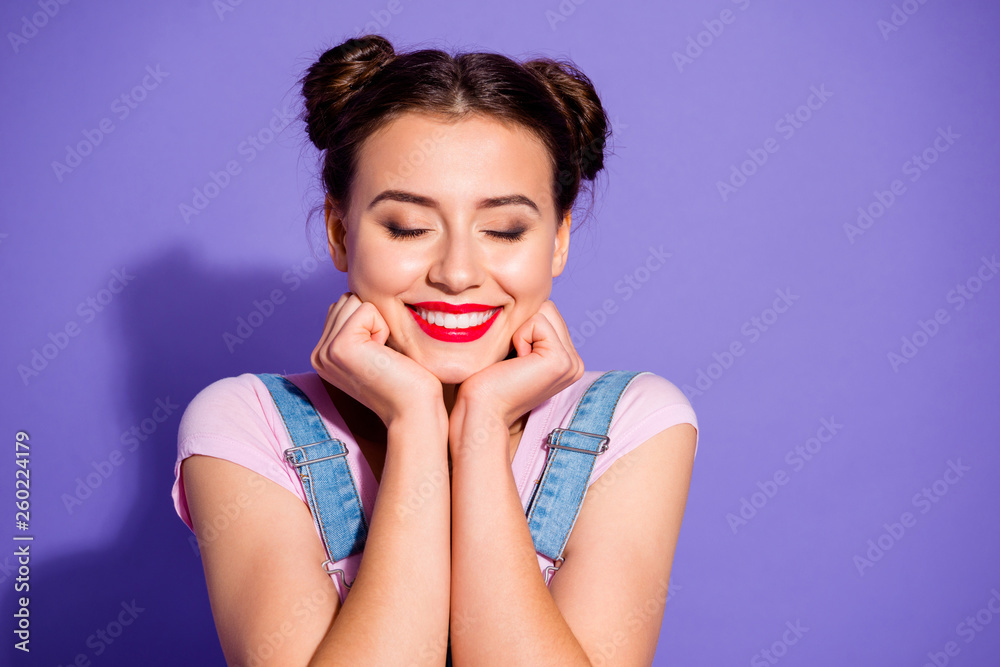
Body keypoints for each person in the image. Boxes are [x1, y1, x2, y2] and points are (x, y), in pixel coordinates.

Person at [171, 34, 699, 666]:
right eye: (408, 227)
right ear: (342, 234)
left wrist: (481, 424)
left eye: (504, 230)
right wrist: (416, 422)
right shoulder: (246, 423)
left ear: (558, 240)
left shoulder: (630, 424)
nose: (456, 272)